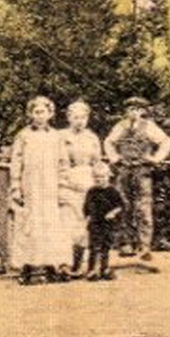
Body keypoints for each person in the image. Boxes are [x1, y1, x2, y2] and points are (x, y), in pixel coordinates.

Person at [8, 96, 71, 284]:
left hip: (50, 187)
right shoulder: (23, 135)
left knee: (50, 224)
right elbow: (16, 162)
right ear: (30, 114)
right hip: (31, 186)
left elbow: (63, 163)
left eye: (43, 112)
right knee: (30, 224)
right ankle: (27, 265)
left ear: (50, 114)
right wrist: (16, 186)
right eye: (36, 112)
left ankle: (50, 264)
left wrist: (62, 186)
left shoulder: (56, 136)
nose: (40, 116)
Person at [103, 96, 170, 262]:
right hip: (124, 170)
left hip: (142, 171)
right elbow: (108, 142)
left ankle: (145, 246)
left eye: (136, 109)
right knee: (123, 205)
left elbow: (167, 142)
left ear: (142, 111)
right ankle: (126, 243)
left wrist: (156, 158)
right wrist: (114, 158)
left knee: (144, 208)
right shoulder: (120, 126)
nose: (133, 112)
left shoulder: (149, 126)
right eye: (129, 109)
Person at [58, 100, 103, 278]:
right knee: (67, 223)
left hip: (88, 182)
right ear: (69, 118)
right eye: (76, 117)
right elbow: (57, 162)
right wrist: (65, 180)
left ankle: (78, 265)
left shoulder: (92, 138)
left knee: (85, 224)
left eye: (83, 117)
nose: (80, 121)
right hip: (67, 182)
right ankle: (64, 265)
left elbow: (97, 162)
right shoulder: (60, 136)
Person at [82, 163, 124, 281]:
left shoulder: (112, 191)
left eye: (102, 177)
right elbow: (86, 206)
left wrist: (113, 213)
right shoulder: (91, 191)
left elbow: (120, 206)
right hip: (95, 223)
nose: (99, 180)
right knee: (94, 246)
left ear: (108, 176)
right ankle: (92, 270)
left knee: (105, 246)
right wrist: (87, 216)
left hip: (107, 224)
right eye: (96, 177)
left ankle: (104, 268)